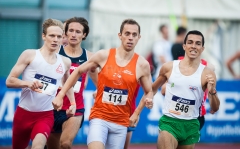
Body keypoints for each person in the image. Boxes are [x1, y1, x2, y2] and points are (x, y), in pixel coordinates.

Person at [57, 19, 153, 149]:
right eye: (127, 33)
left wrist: (137, 112)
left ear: (139, 37)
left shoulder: (142, 65)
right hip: (99, 118)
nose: (130, 38)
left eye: (134, 35)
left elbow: (149, 91)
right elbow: (79, 71)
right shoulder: (104, 55)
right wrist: (61, 94)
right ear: (120, 35)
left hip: (121, 122)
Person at [5, 19, 76, 149]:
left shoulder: (65, 62)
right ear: (44, 36)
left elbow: (67, 84)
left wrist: (72, 103)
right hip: (23, 114)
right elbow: (10, 81)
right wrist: (28, 84)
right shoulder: (29, 55)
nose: (55, 39)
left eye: (59, 37)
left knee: (38, 146)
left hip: (45, 115)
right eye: (52, 36)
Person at [152, 30, 220, 149]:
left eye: (198, 43)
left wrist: (212, 91)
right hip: (170, 122)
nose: (193, 46)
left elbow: (215, 108)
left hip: (193, 121)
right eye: (190, 42)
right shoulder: (171, 66)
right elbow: (158, 90)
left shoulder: (208, 72)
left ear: (202, 48)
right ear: (184, 46)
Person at [47, 17, 98, 149]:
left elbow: (97, 77)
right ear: (66, 33)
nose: (74, 34)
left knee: (65, 144)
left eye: (78, 31)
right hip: (52, 107)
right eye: (71, 31)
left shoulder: (90, 57)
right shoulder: (55, 52)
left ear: (84, 34)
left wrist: (99, 89)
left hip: (75, 108)